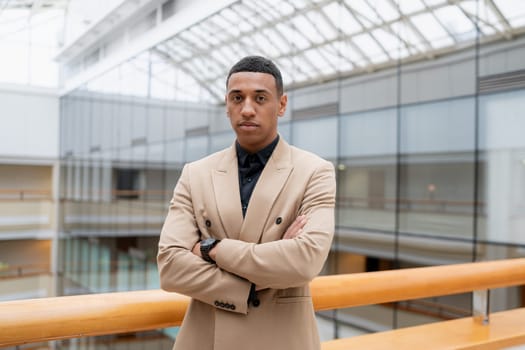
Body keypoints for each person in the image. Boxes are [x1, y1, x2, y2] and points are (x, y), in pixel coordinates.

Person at [157, 55, 336, 350]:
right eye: (237, 98)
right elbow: (170, 266)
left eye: (260, 98)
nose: (247, 109)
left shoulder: (314, 171)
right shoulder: (195, 173)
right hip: (206, 339)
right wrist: (266, 268)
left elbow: (305, 261)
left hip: (282, 340)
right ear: (227, 106)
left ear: (281, 104)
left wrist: (210, 248)